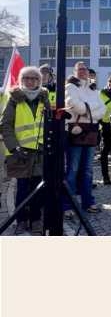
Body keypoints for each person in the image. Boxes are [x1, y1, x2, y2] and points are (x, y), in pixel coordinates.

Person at [1, 66, 51, 234]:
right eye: (26, 78)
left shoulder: (44, 98)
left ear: (39, 81)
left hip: (40, 151)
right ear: (21, 81)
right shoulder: (14, 98)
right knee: (22, 187)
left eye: (34, 78)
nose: (30, 81)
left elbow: (49, 124)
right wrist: (13, 147)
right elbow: (5, 125)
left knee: (37, 186)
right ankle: (21, 219)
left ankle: (36, 218)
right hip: (20, 152)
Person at [62, 62, 106, 219]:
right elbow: (74, 106)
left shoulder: (93, 88)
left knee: (88, 170)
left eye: (84, 69)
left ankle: (88, 202)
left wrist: (87, 110)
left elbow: (103, 110)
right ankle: (68, 204)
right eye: (79, 69)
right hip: (75, 131)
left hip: (91, 132)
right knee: (72, 170)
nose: (82, 72)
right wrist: (92, 109)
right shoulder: (70, 87)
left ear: (88, 72)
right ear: (74, 72)